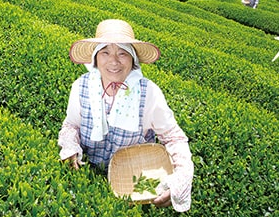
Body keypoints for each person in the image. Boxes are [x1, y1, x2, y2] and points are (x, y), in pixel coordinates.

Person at [58, 19, 194, 212]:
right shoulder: (81, 87)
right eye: (105, 52)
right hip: (90, 176)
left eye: (122, 53)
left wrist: (179, 180)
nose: (114, 61)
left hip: (134, 185)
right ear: (95, 58)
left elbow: (175, 138)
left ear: (133, 60)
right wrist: (70, 147)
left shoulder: (149, 93)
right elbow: (72, 126)